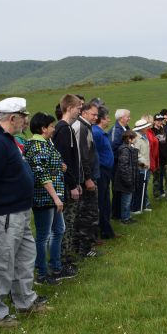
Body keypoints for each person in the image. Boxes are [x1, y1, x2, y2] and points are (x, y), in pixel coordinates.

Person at [0, 97, 50, 327]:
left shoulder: (6, 138)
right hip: (4, 214)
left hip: (19, 211)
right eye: (24, 117)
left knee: (25, 259)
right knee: (1, 264)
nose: (26, 121)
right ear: (12, 118)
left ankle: (25, 301)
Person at [24, 112, 74, 285]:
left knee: (59, 230)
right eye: (52, 126)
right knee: (43, 236)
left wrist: (60, 166)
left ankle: (56, 267)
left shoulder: (45, 144)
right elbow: (41, 174)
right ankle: (42, 273)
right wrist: (55, 198)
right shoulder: (37, 146)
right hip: (44, 198)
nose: (54, 129)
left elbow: (48, 165)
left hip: (53, 197)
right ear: (43, 128)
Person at [51, 94, 83, 267]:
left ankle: (66, 255)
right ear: (69, 108)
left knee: (69, 222)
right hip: (65, 185)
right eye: (78, 108)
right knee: (66, 223)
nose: (79, 111)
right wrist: (72, 185)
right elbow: (64, 162)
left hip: (69, 182)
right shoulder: (63, 129)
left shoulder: (66, 128)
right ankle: (62, 259)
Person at [72, 100, 101, 258]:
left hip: (86, 177)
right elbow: (83, 156)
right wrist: (88, 178)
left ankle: (79, 246)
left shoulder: (85, 126)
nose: (96, 117)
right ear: (84, 113)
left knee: (85, 213)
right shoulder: (82, 128)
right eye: (93, 114)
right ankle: (85, 248)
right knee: (88, 213)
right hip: (85, 179)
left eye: (97, 115)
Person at [92, 106, 117, 240]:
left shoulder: (101, 132)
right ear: (101, 119)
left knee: (106, 200)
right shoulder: (96, 133)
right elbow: (93, 153)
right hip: (101, 171)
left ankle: (107, 229)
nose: (109, 120)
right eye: (107, 118)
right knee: (101, 201)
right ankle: (103, 230)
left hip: (106, 170)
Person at [109, 108, 131, 219]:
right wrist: (123, 158)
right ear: (121, 118)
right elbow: (113, 149)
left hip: (125, 164)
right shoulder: (116, 131)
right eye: (128, 116)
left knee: (124, 188)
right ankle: (116, 214)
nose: (129, 118)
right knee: (117, 189)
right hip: (117, 165)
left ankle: (123, 212)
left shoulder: (126, 128)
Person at [114, 131, 139, 224]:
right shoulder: (125, 150)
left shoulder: (129, 148)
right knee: (126, 200)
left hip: (128, 178)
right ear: (129, 139)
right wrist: (128, 180)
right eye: (134, 138)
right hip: (125, 180)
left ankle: (127, 216)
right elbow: (123, 166)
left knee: (128, 199)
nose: (136, 139)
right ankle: (125, 218)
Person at [131, 118, 152, 214]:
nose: (147, 128)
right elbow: (136, 153)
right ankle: (136, 208)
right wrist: (143, 162)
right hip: (140, 167)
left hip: (146, 166)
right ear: (141, 129)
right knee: (139, 188)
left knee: (144, 187)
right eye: (146, 127)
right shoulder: (136, 138)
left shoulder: (144, 136)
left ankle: (143, 206)